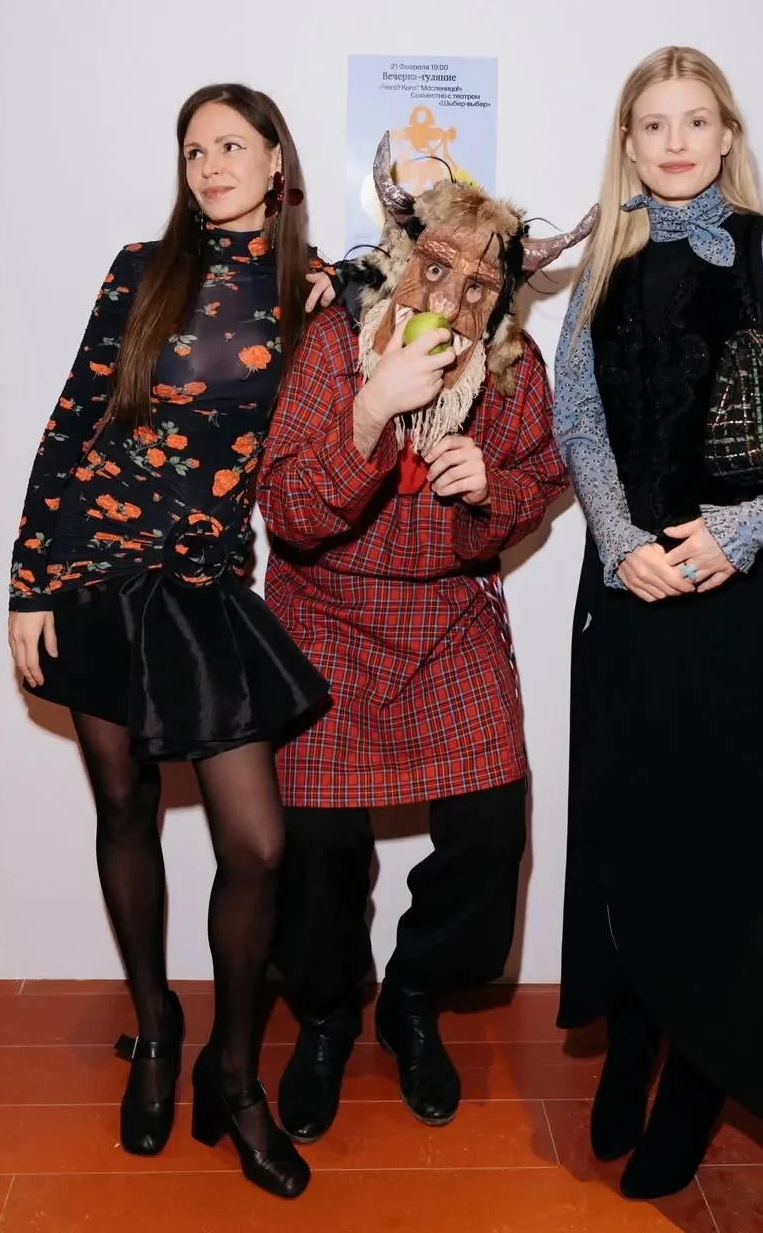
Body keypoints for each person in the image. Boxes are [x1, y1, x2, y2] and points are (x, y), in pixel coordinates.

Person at [553, 46, 763, 1201]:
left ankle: (701, 1077)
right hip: (627, 590)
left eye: (695, 120)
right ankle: (636, 1035)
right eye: (653, 124)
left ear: (727, 133)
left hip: (744, 606)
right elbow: (577, 415)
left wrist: (737, 532)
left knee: (727, 847)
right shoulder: (606, 256)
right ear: (628, 142)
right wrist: (618, 541)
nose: (675, 142)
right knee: (629, 827)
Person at [6, 83, 337, 1199]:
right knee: (124, 808)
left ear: (278, 159)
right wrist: (29, 583)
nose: (211, 165)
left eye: (232, 145)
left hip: (201, 582)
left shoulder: (312, 288)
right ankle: (155, 1030)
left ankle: (233, 1075)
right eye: (195, 150)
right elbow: (72, 422)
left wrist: (362, 292)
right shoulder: (140, 269)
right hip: (94, 574)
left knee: (257, 844)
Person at [256, 133, 591, 1144]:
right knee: (316, 843)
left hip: (447, 617)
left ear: (503, 297)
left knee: (492, 826)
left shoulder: (514, 368)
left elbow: (542, 481)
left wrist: (494, 491)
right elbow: (289, 510)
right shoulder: (333, 341)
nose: (454, 293)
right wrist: (371, 408)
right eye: (437, 266)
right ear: (406, 257)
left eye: (481, 283)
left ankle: (414, 995)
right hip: (323, 614)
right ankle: (326, 1014)